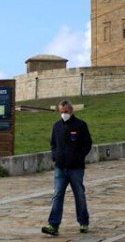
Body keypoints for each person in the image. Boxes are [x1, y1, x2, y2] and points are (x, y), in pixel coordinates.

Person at [42, 99, 92, 236]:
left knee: (79, 195)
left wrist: (79, 157)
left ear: (71, 110)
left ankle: (83, 222)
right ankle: (53, 225)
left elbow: (87, 144)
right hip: (60, 168)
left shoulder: (80, 125)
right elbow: (53, 144)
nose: (63, 114)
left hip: (76, 168)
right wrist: (55, 156)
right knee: (57, 195)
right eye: (61, 112)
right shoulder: (56, 126)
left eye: (65, 111)